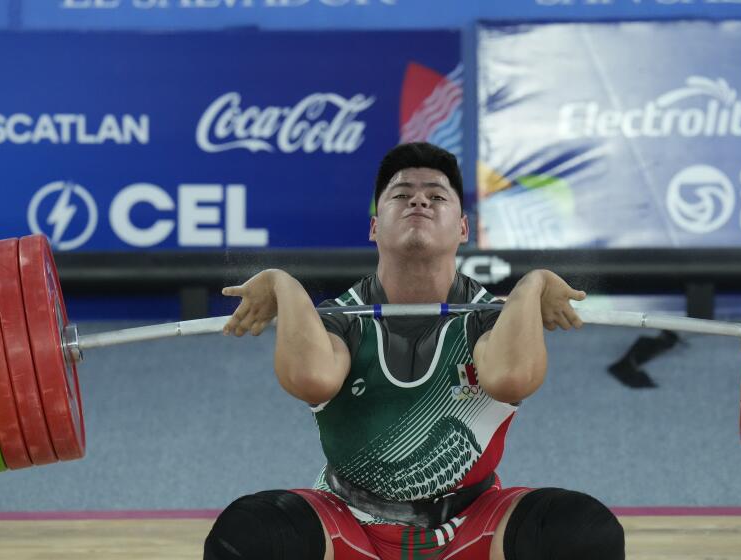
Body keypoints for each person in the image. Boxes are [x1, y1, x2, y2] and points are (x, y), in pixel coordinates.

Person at [205, 142, 625, 560]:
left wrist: (532, 284)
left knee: (581, 533)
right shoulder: (343, 318)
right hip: (350, 524)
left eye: (436, 195)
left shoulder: (491, 318)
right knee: (249, 536)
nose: (419, 199)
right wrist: (283, 284)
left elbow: (513, 378)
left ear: (462, 228)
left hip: (471, 527)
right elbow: (310, 379)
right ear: (374, 227)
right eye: (402, 194)